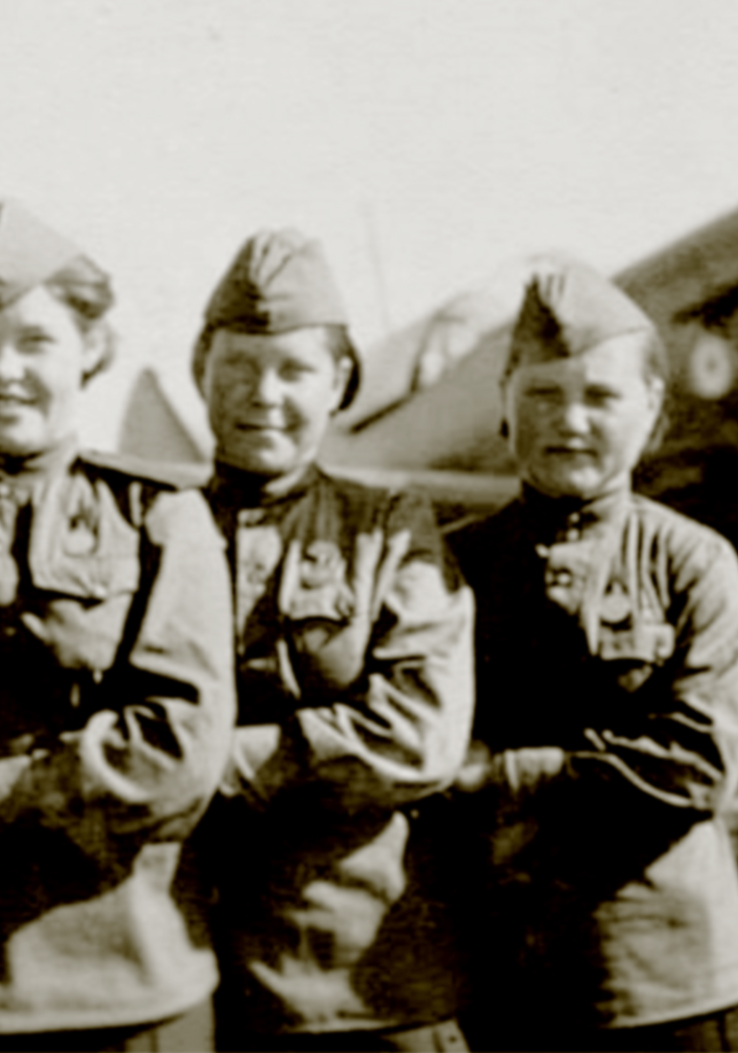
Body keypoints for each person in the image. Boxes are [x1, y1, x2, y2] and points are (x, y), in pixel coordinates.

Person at [0, 196, 237, 1052]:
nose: (2, 369)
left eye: (35, 341)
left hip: (119, 989)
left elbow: (178, 749)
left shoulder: (157, 514)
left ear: (91, 349)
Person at [447, 258, 738, 1052]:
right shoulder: (450, 567)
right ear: (504, 405)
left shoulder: (694, 562)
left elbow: (697, 763)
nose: (570, 421)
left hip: (672, 983)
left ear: (653, 410)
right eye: (542, 394)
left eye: (601, 396)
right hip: (511, 982)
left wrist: (504, 772)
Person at [188, 229, 476, 1052]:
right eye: (238, 364)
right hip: (201, 980)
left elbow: (419, 736)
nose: (263, 394)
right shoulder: (154, 529)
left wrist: (210, 760)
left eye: (295, 370)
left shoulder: (390, 529)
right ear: (200, 369)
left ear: (340, 380)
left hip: (370, 979)